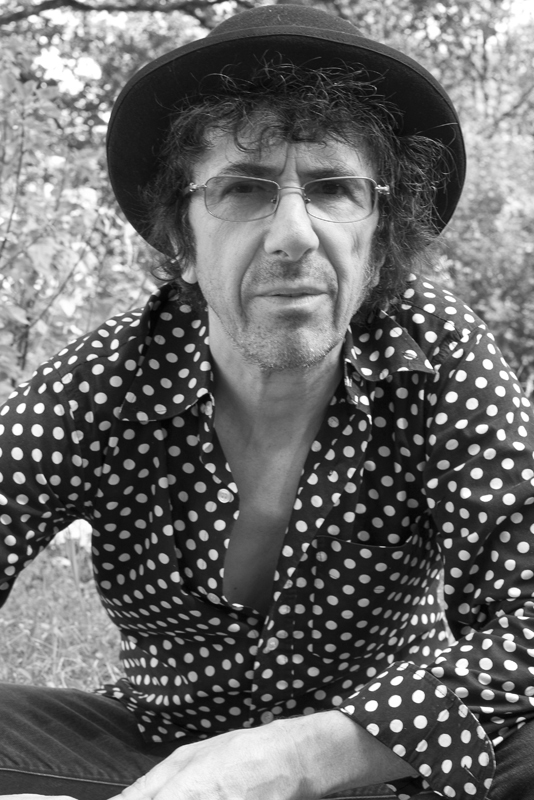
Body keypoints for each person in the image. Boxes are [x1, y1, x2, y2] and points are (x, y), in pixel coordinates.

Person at [0, 4, 533, 800]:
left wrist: (296, 758)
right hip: (160, 760)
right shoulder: (107, 381)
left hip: (388, 759)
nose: (294, 235)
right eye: (245, 190)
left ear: (379, 241)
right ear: (181, 238)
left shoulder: (436, 357)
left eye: (334, 189)